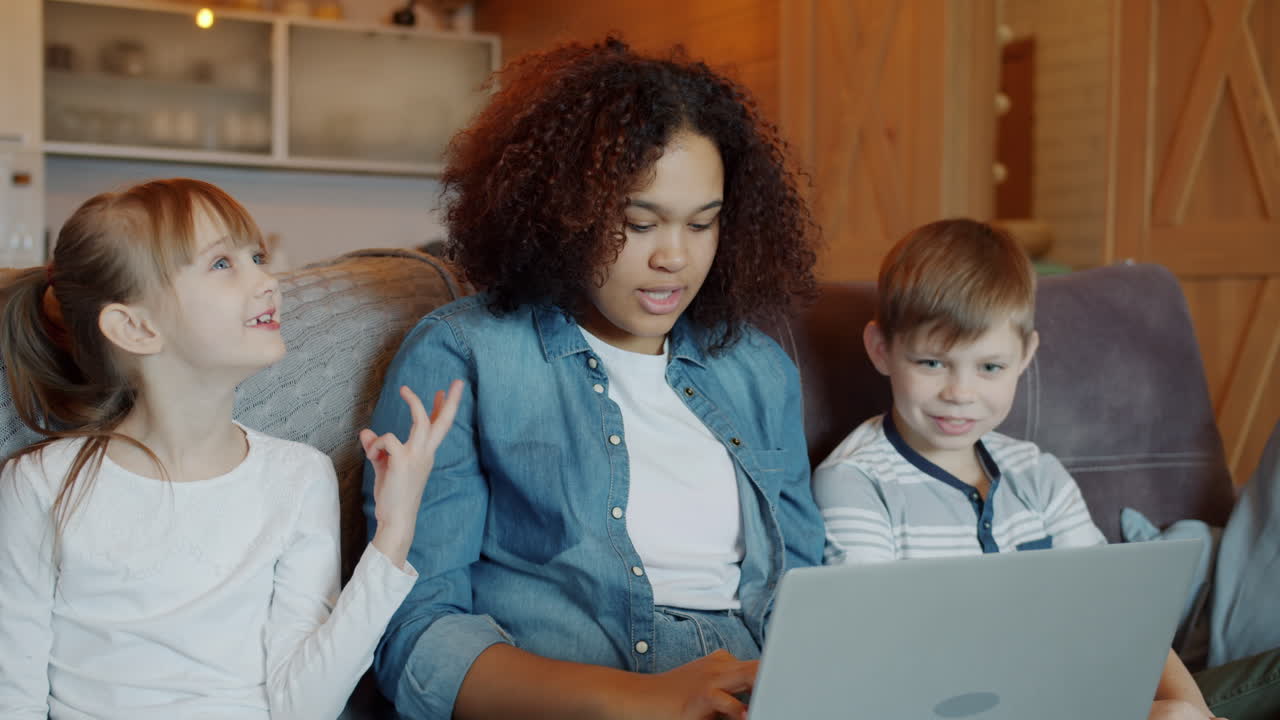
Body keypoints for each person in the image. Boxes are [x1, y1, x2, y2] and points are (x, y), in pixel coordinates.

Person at [363, 38, 825, 720]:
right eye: (640, 223)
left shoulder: (758, 370)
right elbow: (414, 633)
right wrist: (641, 700)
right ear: (562, 214)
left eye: (703, 223)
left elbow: (806, 593)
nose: (675, 256)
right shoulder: (467, 355)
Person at [0, 178, 463, 719]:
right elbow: (15, 694)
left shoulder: (298, 477)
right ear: (135, 326)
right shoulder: (41, 485)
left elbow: (305, 707)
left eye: (257, 256)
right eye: (223, 264)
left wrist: (395, 529)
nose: (267, 281)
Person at [811, 218, 1225, 720]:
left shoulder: (1038, 475)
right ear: (882, 350)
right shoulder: (857, 482)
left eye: (990, 367)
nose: (960, 393)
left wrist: (1194, 708)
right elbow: (872, 650)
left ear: (1025, 356)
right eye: (932, 363)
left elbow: (1115, 613)